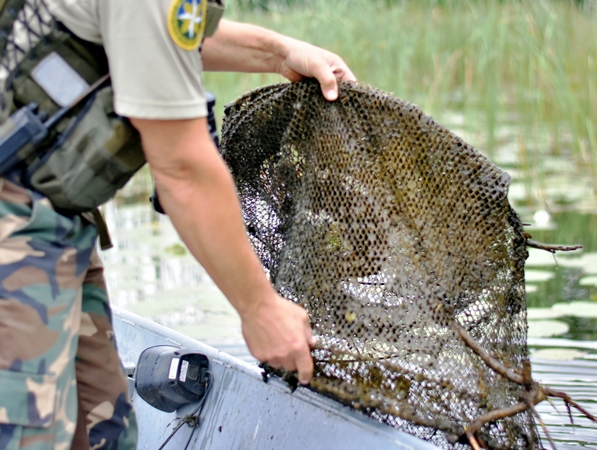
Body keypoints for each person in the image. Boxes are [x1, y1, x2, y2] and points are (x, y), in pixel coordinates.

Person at [0, 0, 356, 448]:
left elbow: (158, 34)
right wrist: (259, 308)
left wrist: (278, 53)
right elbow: (183, 170)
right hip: (15, 227)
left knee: (100, 431)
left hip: (55, 222)